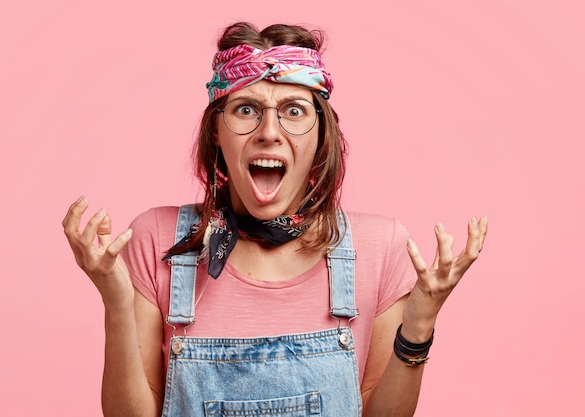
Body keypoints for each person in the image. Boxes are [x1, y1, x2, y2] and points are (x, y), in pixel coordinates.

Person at [62, 22, 488, 417]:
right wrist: (115, 302)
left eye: (295, 110)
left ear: (323, 134)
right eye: (246, 109)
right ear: (216, 131)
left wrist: (420, 323)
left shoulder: (380, 247)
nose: (269, 131)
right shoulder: (157, 239)